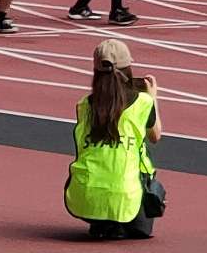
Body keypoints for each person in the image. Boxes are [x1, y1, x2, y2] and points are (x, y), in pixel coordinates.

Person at [64, 39, 162, 240]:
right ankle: (117, 222)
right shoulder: (142, 102)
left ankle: (100, 221)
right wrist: (153, 98)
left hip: (83, 195)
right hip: (125, 195)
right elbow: (155, 136)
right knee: (140, 156)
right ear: (128, 69)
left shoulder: (84, 106)